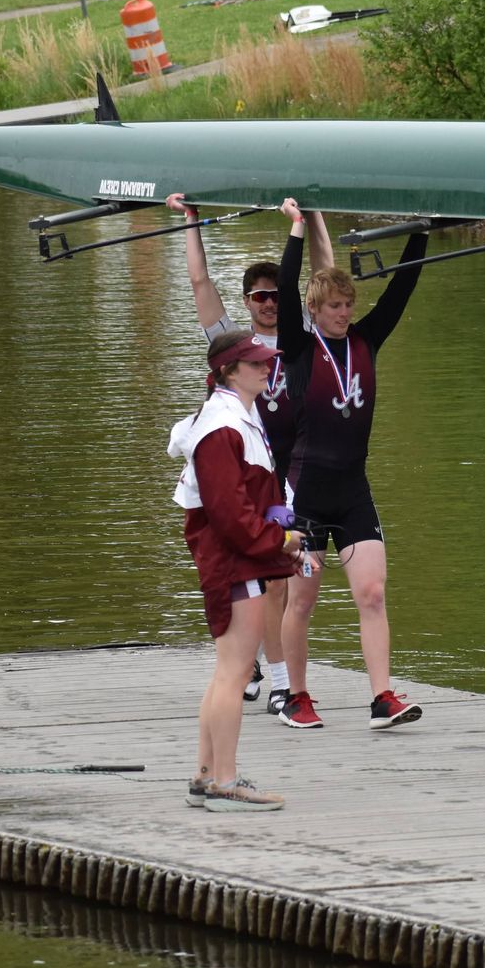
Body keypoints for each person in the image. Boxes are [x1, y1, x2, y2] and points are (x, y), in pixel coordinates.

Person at [168, 192, 335, 717]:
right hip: (243, 469)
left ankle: (268, 670)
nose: (268, 303)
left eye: (273, 295)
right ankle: (271, 676)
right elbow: (200, 283)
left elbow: (326, 275)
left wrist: (316, 217)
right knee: (261, 567)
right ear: (247, 302)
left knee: (281, 573)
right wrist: (192, 221)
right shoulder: (230, 343)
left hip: (290, 467)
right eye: (259, 296)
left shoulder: (300, 333)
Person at [271, 197, 427, 733]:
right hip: (305, 498)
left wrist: (421, 231)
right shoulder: (296, 345)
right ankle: (295, 696)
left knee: (373, 592)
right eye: (335, 306)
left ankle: (382, 696)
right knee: (303, 599)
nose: (345, 312)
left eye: (348, 304)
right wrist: (296, 229)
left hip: (353, 491)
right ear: (316, 310)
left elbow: (401, 289)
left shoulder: (366, 339)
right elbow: (288, 290)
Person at [168, 330, 306, 813]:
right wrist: (279, 542)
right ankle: (225, 781)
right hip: (232, 559)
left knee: (226, 671)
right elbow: (229, 514)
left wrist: (284, 535)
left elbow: (257, 499)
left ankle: (205, 776)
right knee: (233, 673)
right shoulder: (222, 426)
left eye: (268, 361)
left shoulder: (239, 417)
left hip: (240, 555)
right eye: (256, 363)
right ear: (229, 370)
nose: (267, 368)